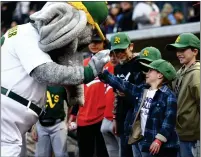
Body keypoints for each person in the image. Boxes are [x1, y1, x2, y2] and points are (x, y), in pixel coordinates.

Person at [1, 2, 109, 156]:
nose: (88, 36)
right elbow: (44, 72)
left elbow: (61, 62)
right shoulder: (28, 34)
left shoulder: (31, 34)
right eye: (89, 27)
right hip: (8, 112)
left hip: (13, 116)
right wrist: (88, 72)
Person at [98, 59, 180, 157]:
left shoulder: (168, 96)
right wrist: (104, 74)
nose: (147, 73)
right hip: (140, 141)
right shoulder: (142, 90)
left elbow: (169, 121)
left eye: (150, 71)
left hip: (157, 145)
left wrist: (159, 140)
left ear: (160, 75)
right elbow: (123, 84)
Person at [68, 27, 110, 157]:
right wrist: (74, 114)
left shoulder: (111, 63)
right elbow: (79, 91)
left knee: (102, 154)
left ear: (104, 42)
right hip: (83, 118)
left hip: (102, 118)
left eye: (97, 42)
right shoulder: (84, 63)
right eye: (91, 42)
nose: (93, 45)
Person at [109, 32, 144, 157]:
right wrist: (115, 119)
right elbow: (116, 97)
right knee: (125, 152)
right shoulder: (117, 67)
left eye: (122, 49)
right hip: (123, 116)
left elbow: (146, 90)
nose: (119, 54)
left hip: (138, 116)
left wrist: (128, 93)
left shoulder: (140, 63)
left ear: (131, 46)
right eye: (116, 51)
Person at [166, 33, 200, 157]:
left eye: (182, 49)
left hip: (193, 137)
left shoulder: (197, 74)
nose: (178, 53)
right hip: (180, 134)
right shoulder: (180, 71)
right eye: (177, 50)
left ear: (195, 51)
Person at [31, 86, 69, 157]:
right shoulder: (38, 84)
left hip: (58, 124)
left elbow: (71, 103)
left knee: (61, 155)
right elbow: (33, 106)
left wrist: (68, 121)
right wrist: (34, 127)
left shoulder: (62, 84)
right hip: (41, 125)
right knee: (41, 155)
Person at [100, 50, 120, 157]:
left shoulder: (124, 70)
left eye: (116, 55)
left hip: (118, 118)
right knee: (112, 152)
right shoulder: (107, 70)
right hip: (106, 118)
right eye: (111, 55)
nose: (113, 58)